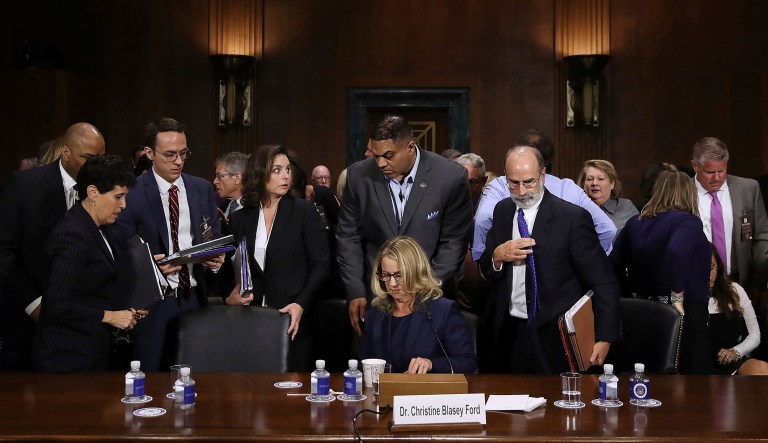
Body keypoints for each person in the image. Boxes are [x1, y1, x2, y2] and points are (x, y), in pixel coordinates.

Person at [480, 146, 621, 374]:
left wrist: (605, 338)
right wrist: (497, 257)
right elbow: (488, 267)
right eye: (514, 183)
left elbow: (604, 282)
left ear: (543, 175)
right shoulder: (503, 211)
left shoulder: (572, 219)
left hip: (555, 337)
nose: (522, 190)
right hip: (509, 332)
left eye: (528, 182)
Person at [337, 115, 473, 336]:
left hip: (431, 296)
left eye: (388, 155)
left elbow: (454, 242)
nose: (380, 163)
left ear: (411, 147)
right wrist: (354, 291)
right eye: (376, 155)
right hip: (376, 298)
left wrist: (421, 289)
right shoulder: (357, 176)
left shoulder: (450, 177)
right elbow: (348, 238)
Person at [108, 117, 223, 371]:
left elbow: (211, 236)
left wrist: (215, 260)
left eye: (183, 153)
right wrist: (151, 268)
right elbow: (118, 250)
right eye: (170, 155)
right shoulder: (132, 193)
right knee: (151, 379)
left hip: (194, 298)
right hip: (152, 305)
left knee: (194, 380)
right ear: (149, 153)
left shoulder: (201, 189)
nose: (179, 161)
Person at [0, 122, 105, 370]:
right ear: (66, 153)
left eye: (100, 158)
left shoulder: (104, 190)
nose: (95, 166)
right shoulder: (25, 187)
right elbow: (4, 254)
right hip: (28, 323)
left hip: (85, 329)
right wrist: (33, 304)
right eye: (88, 158)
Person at [34, 155, 144, 372]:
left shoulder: (101, 227)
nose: (123, 205)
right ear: (93, 192)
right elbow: (57, 304)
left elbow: (98, 285)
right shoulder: (73, 234)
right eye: (118, 197)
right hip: (68, 358)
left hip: (93, 350)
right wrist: (110, 316)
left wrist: (127, 310)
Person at [226, 145, 329, 371]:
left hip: (293, 319)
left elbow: (321, 265)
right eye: (277, 170)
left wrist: (301, 304)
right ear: (260, 173)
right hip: (250, 318)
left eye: (288, 169)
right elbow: (228, 267)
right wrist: (229, 298)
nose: (285, 176)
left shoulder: (304, 211)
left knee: (291, 393)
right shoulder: (240, 218)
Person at [610, 170, 712, 374]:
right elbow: (676, 251)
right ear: (688, 193)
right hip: (683, 312)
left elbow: (612, 263)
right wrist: (677, 296)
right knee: (689, 381)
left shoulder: (635, 222)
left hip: (642, 311)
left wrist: (627, 294)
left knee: (647, 376)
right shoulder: (688, 222)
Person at [473, 129, 616, 261]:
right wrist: (585, 264)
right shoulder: (568, 188)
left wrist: (483, 257)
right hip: (561, 276)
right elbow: (608, 229)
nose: (522, 190)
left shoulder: (501, 184)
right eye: (516, 183)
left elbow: (482, 219)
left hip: (512, 267)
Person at [361, 236, 477, 374]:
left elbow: (468, 363)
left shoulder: (443, 311)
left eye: (399, 275)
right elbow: (365, 369)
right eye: (386, 275)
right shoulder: (374, 315)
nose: (392, 283)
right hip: (385, 394)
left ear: (415, 272)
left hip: (428, 394)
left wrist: (431, 364)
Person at [691, 137, 768, 291]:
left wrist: (757, 277)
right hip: (696, 281)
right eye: (710, 172)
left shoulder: (748, 189)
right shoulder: (681, 192)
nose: (717, 178)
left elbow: (762, 236)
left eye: (722, 171)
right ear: (695, 166)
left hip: (740, 281)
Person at [708, 245, 768, 375]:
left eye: (711, 268)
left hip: (732, 362)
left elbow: (755, 335)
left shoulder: (734, 290)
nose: (708, 275)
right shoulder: (681, 294)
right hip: (698, 366)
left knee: (762, 369)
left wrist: (736, 352)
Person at [577, 159, 639, 231]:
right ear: (583, 184)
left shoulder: (625, 206)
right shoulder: (576, 208)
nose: (594, 183)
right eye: (590, 179)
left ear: (612, 184)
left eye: (600, 179)